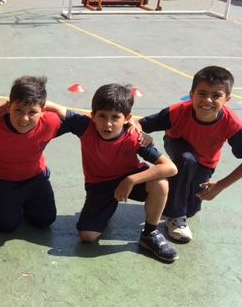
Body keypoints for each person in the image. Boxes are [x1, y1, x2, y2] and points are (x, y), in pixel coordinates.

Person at [48, 84, 179, 263]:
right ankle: (107, 209)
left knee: (161, 183)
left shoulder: (135, 137)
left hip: (130, 181)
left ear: (127, 119)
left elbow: (171, 167)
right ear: (93, 116)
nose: (108, 123)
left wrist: (131, 180)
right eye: (102, 116)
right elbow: (54, 107)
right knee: (87, 236)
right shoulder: (85, 126)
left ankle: (150, 233)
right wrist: (13, 104)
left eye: (115, 117)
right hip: (100, 185)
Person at [137, 66, 242, 243]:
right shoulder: (177, 112)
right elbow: (138, 124)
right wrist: (142, 133)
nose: (207, 100)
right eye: (202, 93)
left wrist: (221, 185)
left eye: (216, 95)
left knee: (191, 209)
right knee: (186, 161)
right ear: (192, 94)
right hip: (177, 144)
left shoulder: (232, 124)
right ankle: (176, 217)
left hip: (206, 161)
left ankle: (172, 190)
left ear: (227, 99)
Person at [0, 75, 62, 233]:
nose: (24, 118)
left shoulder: (51, 121)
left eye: (32, 112)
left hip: (33, 176)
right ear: (9, 106)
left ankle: (24, 196)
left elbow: (86, 122)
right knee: (7, 225)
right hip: (1, 178)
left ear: (43, 111)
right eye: (18, 110)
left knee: (44, 220)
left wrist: (53, 106)